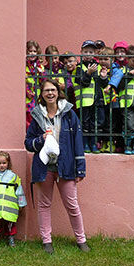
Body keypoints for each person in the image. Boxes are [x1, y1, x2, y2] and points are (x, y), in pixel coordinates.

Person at [24, 79, 90, 254]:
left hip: (66, 167)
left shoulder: (69, 114)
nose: (50, 93)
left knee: (72, 205)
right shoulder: (37, 116)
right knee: (44, 204)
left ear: (58, 92)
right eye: (46, 91)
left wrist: (80, 168)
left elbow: (77, 141)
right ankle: (47, 241)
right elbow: (28, 143)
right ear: (42, 95)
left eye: (53, 90)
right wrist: (40, 140)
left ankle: (81, 240)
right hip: (44, 168)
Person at [73, 40, 102, 153]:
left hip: (96, 101)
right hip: (84, 101)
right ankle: (85, 143)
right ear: (81, 52)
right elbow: (83, 83)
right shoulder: (79, 68)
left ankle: (93, 144)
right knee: (84, 123)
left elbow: (102, 84)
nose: (88, 54)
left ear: (94, 53)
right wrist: (88, 73)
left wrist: (104, 77)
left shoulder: (98, 67)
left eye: (91, 52)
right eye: (86, 52)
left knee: (95, 124)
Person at [96, 46, 118, 153]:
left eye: (106, 59)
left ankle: (111, 143)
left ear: (112, 59)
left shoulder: (115, 70)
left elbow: (117, 79)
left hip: (112, 101)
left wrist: (106, 78)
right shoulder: (99, 70)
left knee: (111, 123)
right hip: (102, 101)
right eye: (101, 59)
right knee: (103, 123)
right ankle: (104, 142)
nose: (103, 62)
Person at [26, 40, 45, 129]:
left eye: (34, 51)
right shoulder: (23, 65)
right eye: (30, 51)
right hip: (27, 97)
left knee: (37, 120)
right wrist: (27, 91)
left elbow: (44, 82)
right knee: (28, 120)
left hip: (37, 97)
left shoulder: (40, 66)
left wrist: (41, 74)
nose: (32, 53)